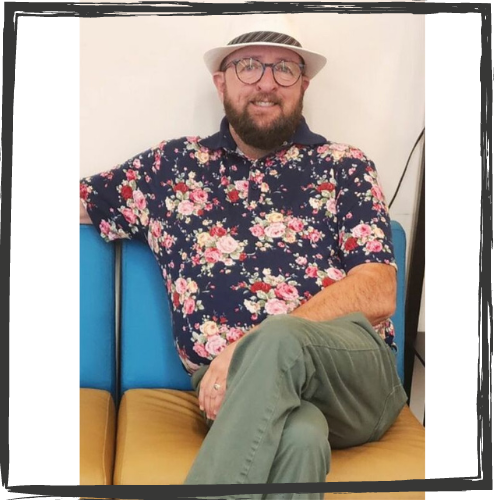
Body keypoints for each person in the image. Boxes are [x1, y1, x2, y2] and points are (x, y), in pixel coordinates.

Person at [80, 19, 408, 499]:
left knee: (277, 338)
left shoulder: (344, 166)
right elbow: (70, 200)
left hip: (354, 379)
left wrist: (245, 351)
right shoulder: (169, 169)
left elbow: (379, 290)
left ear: (304, 85)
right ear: (222, 82)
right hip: (235, 395)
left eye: (285, 71)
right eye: (249, 66)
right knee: (301, 435)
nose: (267, 83)